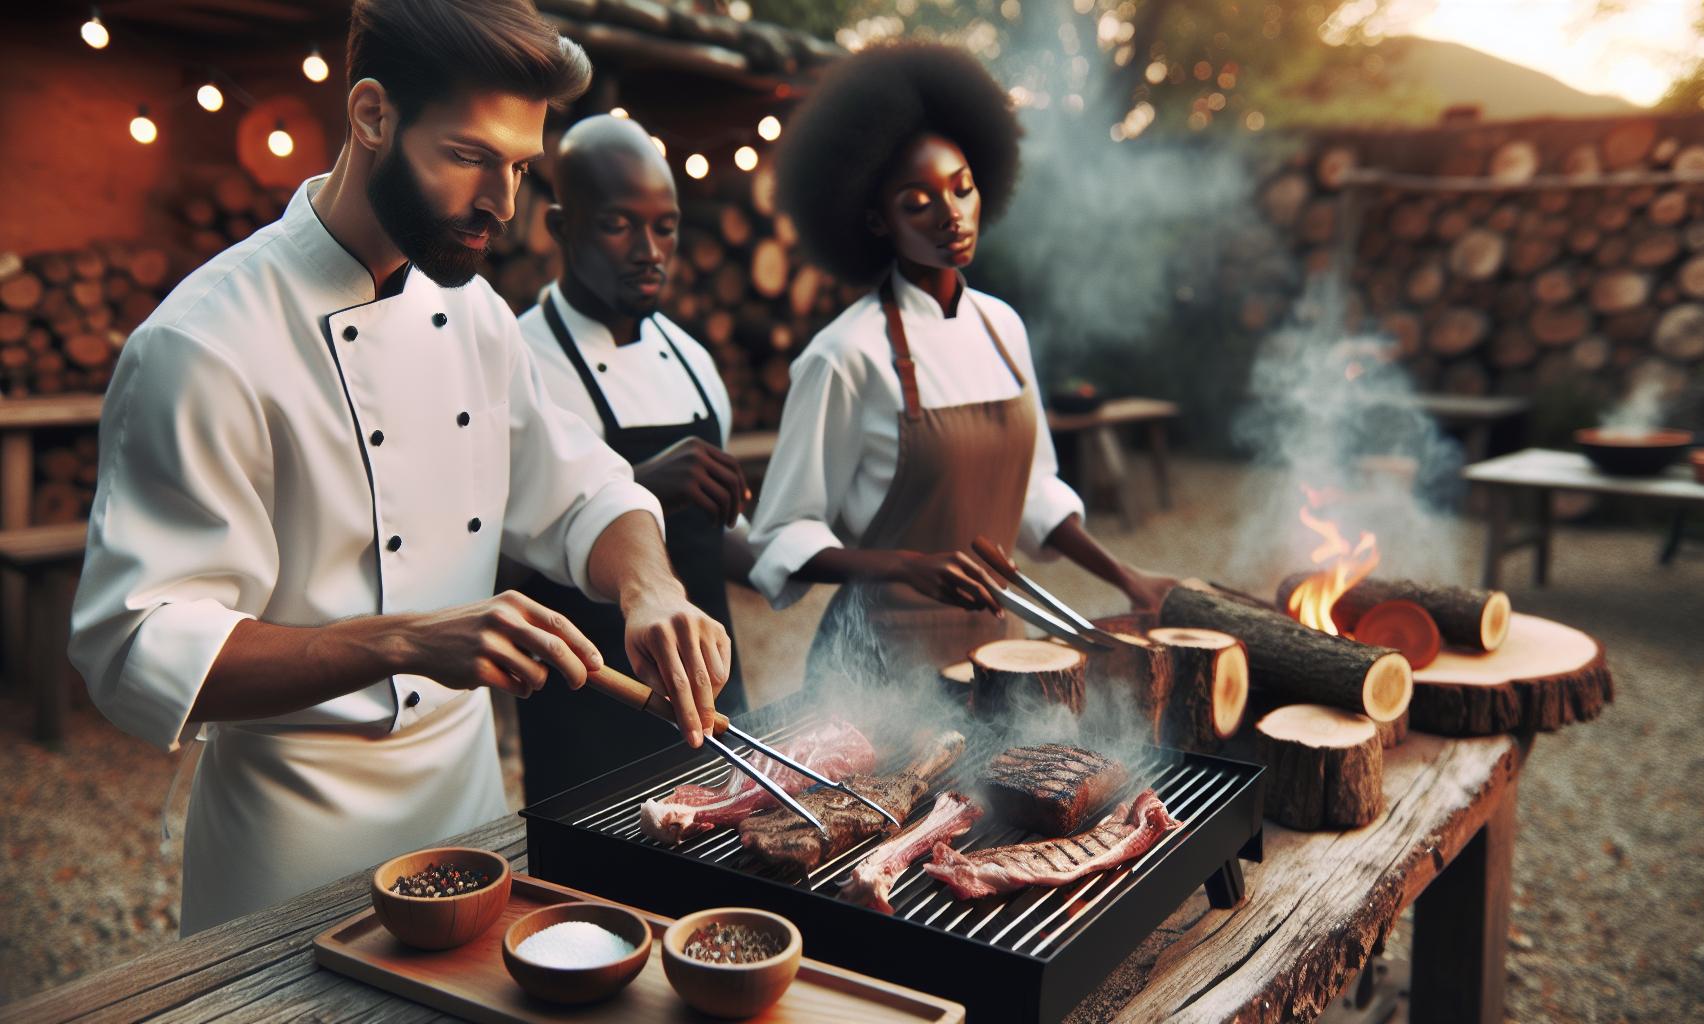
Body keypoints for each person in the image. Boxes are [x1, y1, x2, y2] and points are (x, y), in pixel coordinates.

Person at [68, 0, 730, 936]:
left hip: (470, 819)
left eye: (519, 167)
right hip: (291, 841)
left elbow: (586, 487)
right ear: (372, 115)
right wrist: (403, 639)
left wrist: (650, 588)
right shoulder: (201, 342)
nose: (502, 204)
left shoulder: (477, 319)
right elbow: (137, 647)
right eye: (469, 157)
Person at [748, 42, 1183, 687]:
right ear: (876, 220)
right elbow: (782, 532)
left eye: (962, 188)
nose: (951, 214)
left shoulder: (1003, 327)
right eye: (917, 201)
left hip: (995, 649)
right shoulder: (845, 355)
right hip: (876, 667)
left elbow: (1033, 494)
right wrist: (906, 566)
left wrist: (1126, 578)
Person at [513, 114, 750, 799]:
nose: (649, 249)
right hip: (590, 704)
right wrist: (642, 485)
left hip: (711, 687)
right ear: (560, 227)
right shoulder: (523, 364)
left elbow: (711, 540)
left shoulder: (695, 361)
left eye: (666, 226)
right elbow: (493, 557)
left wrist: (816, 562)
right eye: (620, 224)